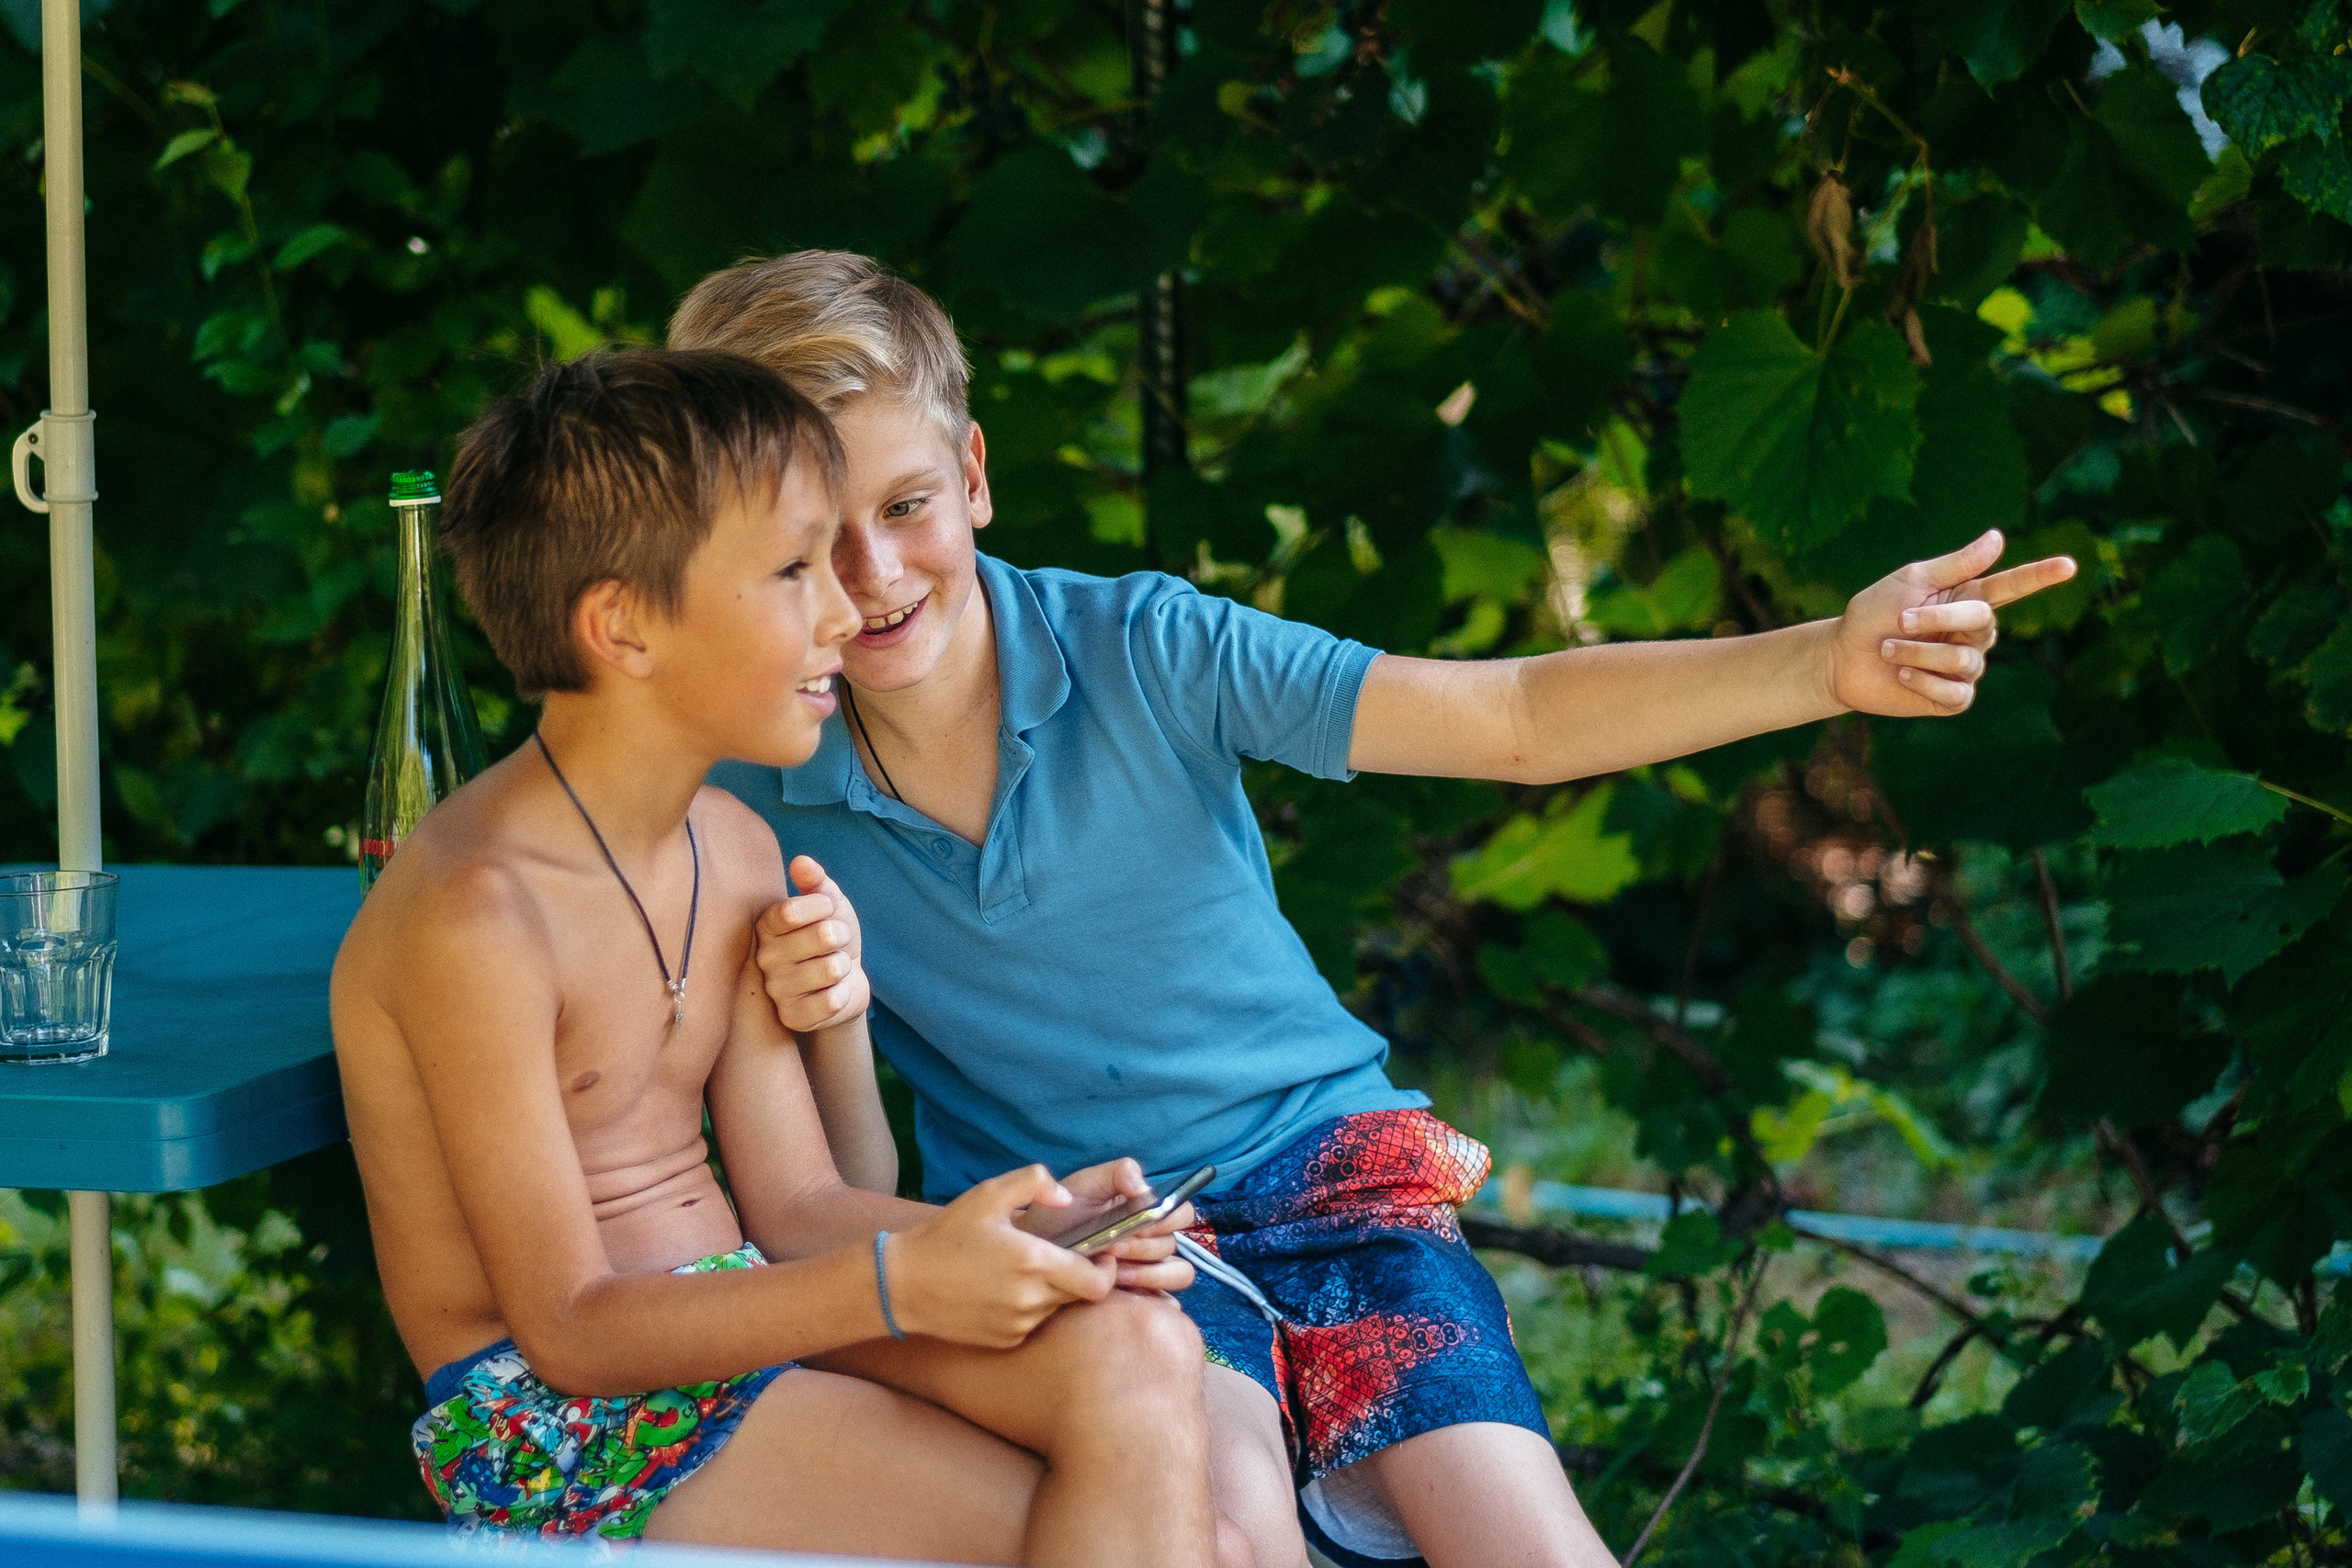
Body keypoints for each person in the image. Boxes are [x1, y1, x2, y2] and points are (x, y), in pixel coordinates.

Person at [673, 253, 2077, 1568]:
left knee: (1526, 1541)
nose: (874, 577)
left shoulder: (1148, 649)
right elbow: (838, 1186)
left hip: (1329, 1178)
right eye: (814, 541)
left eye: (906, 506)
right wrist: (837, 1022)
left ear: (973, 475)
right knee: (1218, 1535)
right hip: (1100, 1252)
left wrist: (1825, 664)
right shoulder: (746, 781)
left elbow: (1515, 713)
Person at [329, 347, 1224, 1566]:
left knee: (1138, 1346)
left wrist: (1020, 1238)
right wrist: (907, 1283)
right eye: (793, 571)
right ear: (624, 628)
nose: (846, 613)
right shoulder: (477, 913)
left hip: (743, 1302)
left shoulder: (733, 845)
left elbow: (798, 1206)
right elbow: (573, 1331)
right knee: (1163, 1546)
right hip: (551, 1416)